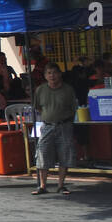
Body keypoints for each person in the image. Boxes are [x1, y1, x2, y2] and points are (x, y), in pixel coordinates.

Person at [32, 63, 78, 195]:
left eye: (54, 72)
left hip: (64, 125)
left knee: (65, 155)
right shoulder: (40, 90)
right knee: (43, 154)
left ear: (60, 74)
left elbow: (73, 108)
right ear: (45, 76)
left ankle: (61, 185)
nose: (52, 76)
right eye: (49, 73)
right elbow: (38, 108)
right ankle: (42, 186)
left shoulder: (68, 89)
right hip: (47, 126)